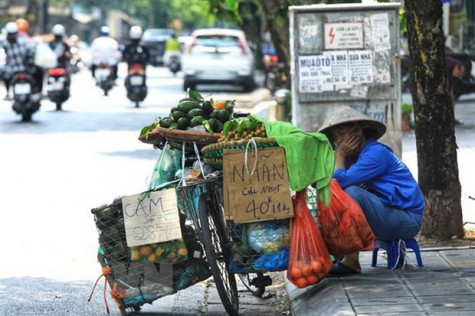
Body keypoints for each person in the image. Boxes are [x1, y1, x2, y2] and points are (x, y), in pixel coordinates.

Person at [318, 105, 426, 275]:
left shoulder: (375, 153)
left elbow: (339, 183)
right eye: (336, 136)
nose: (339, 141)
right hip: (387, 213)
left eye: (343, 134)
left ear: (358, 132)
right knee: (329, 199)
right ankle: (336, 257)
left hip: (407, 219)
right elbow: (329, 183)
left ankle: (351, 262)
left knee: (351, 193)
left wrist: (339, 155)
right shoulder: (353, 158)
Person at [2, 21, 35, 100]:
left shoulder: (23, 41)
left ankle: (36, 91)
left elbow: (31, 52)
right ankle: (7, 93)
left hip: (23, 69)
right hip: (14, 70)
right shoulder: (6, 44)